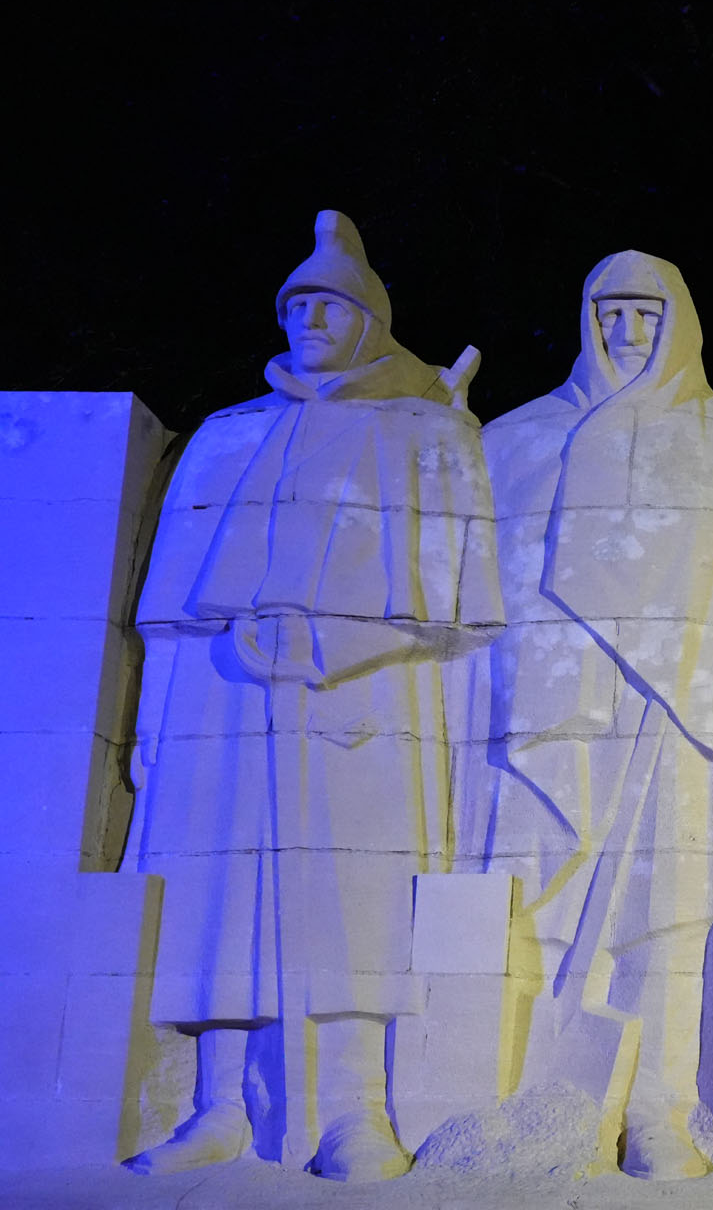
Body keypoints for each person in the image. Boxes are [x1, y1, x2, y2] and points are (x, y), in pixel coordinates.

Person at [125, 210, 501, 1181]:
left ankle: (356, 1112)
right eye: (297, 305)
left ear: (370, 318)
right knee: (224, 901)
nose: (310, 320)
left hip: (366, 703)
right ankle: (214, 1105)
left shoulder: (425, 431)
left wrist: (348, 638)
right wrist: (157, 722)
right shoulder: (231, 431)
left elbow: (460, 599)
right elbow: (171, 611)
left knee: (358, 904)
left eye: (330, 305)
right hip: (235, 703)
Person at [480, 250, 713, 1178]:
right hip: (560, 718)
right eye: (608, 315)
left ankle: (660, 1101)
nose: (625, 334)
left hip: (691, 716)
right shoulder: (515, 442)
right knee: (547, 890)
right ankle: (543, 1097)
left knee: (676, 906)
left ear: (683, 325)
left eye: (646, 316)